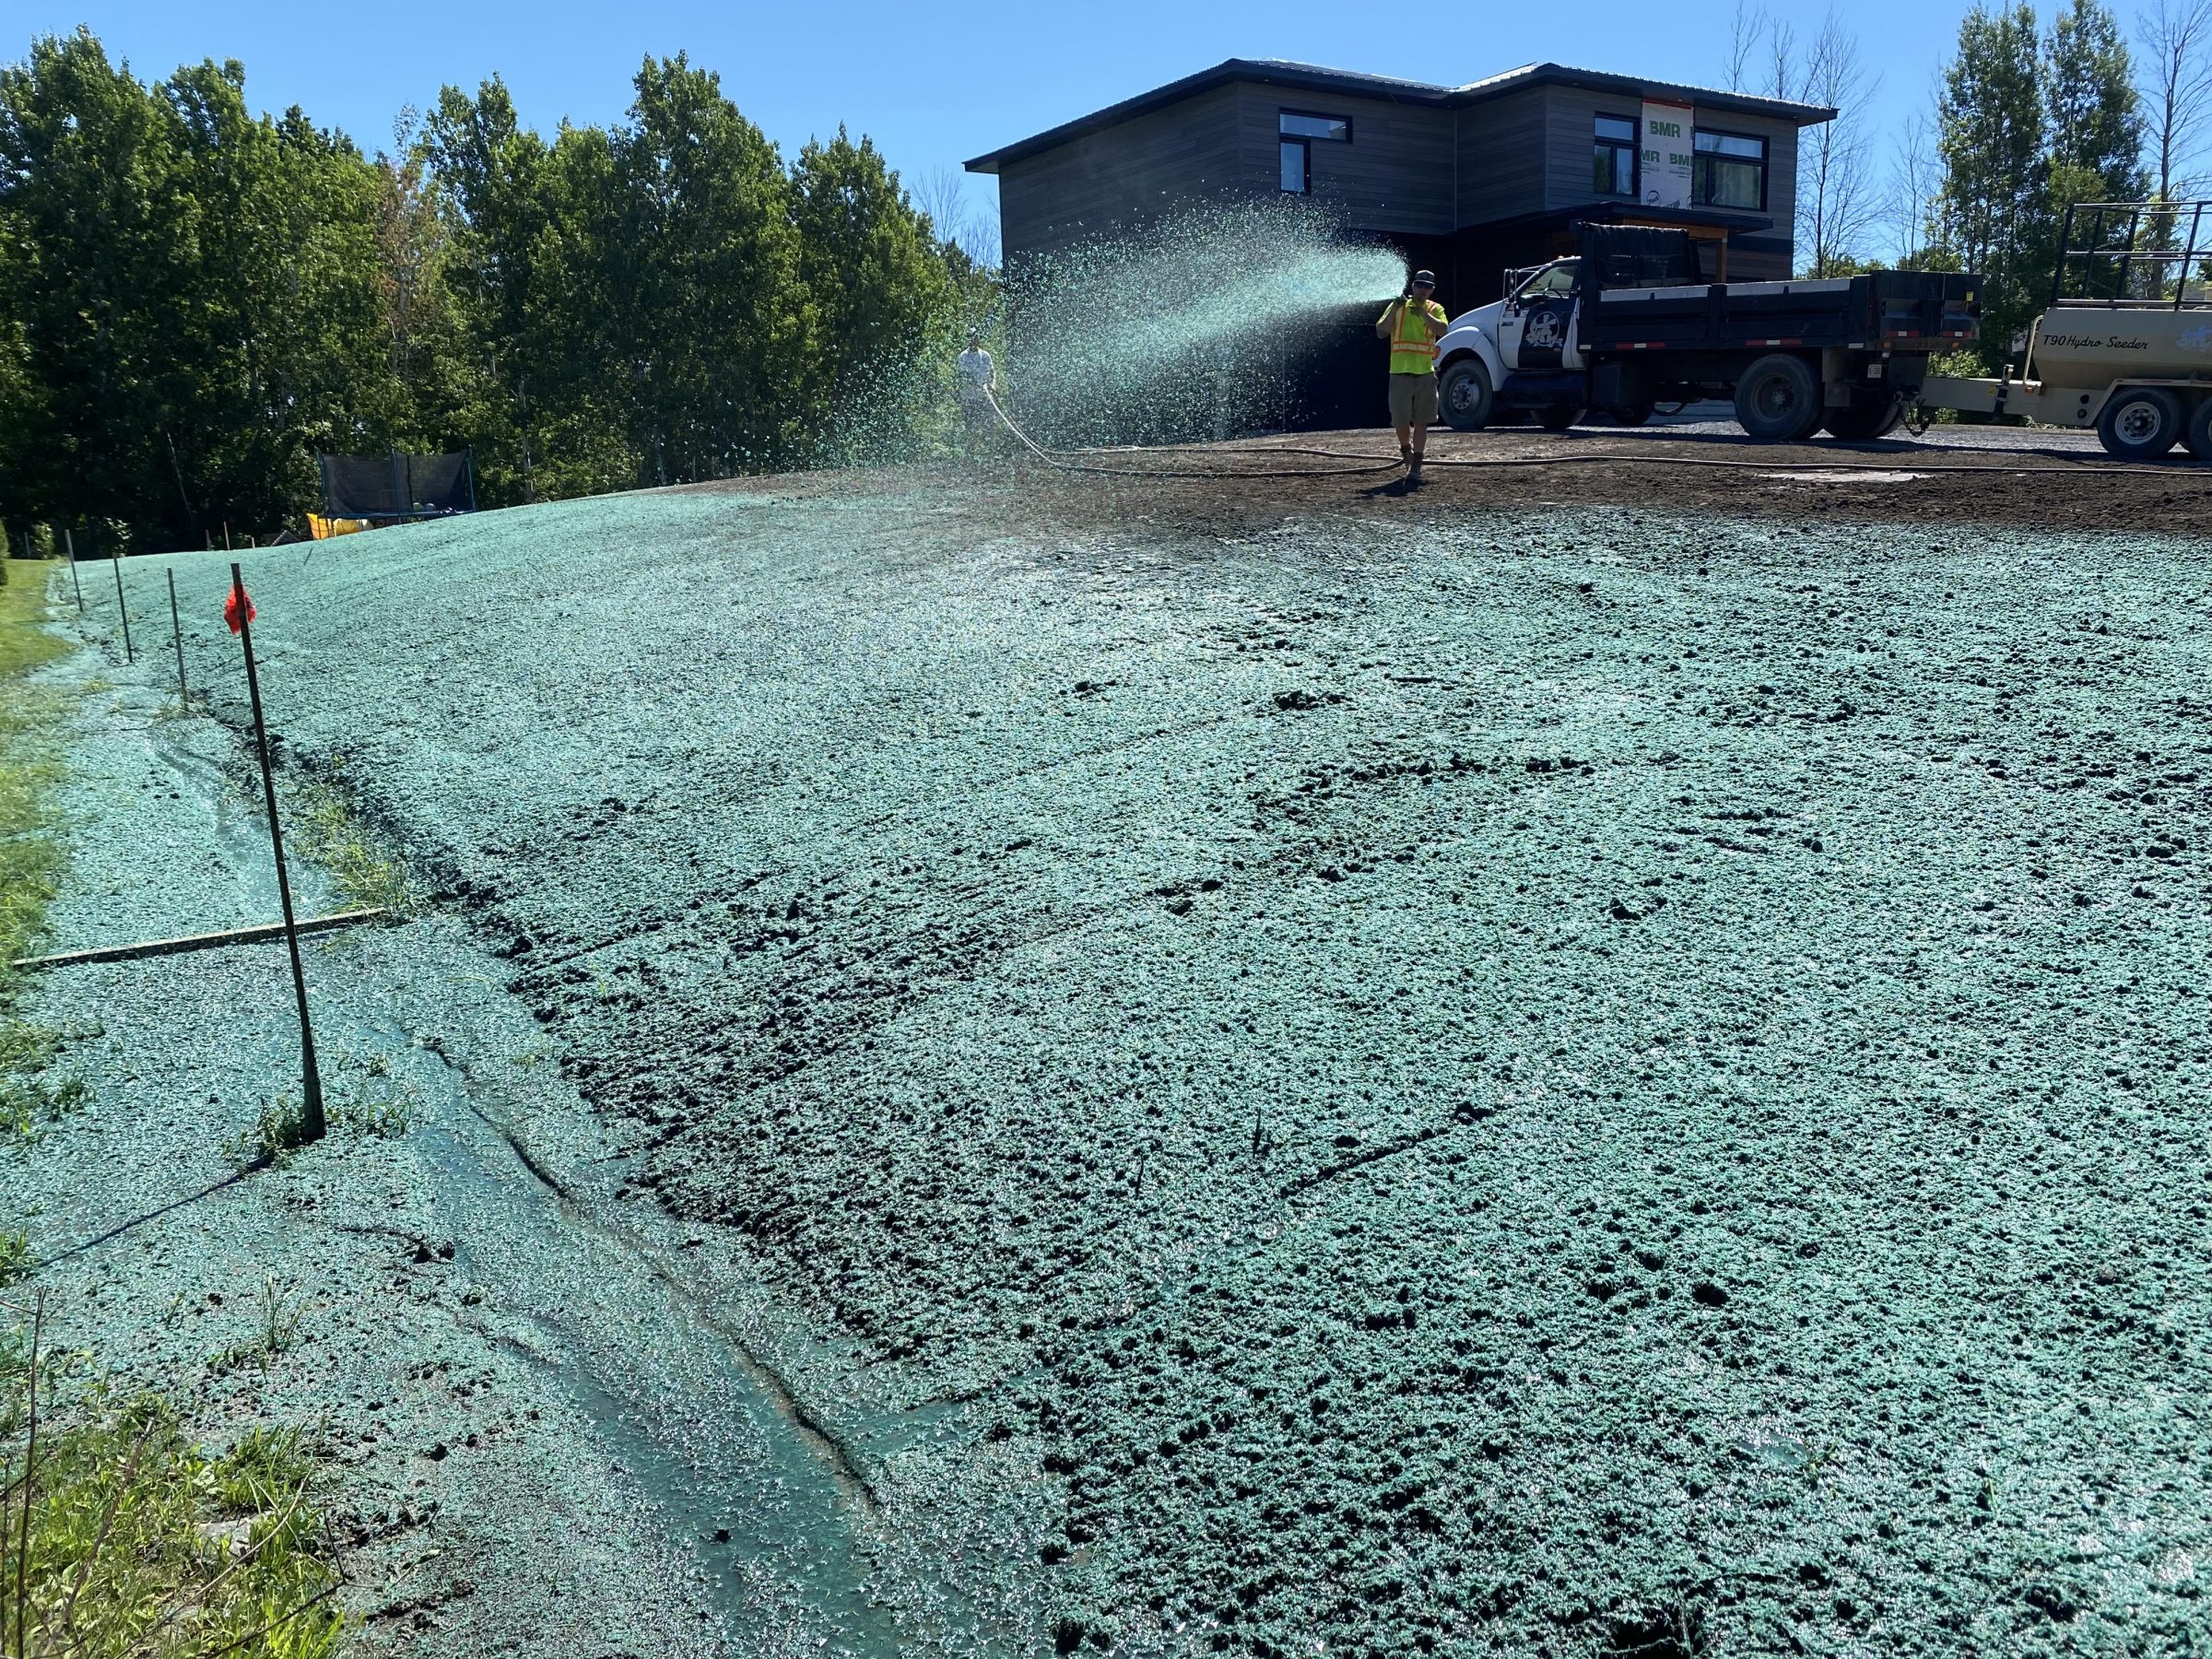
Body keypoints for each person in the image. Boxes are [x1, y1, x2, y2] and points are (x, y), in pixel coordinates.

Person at [1377, 271, 1449, 482]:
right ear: (1413, 286)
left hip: (1425, 373)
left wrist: (1423, 314)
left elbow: (1443, 330)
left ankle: (1416, 464)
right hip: (1400, 373)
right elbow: (1381, 331)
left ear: (1432, 290)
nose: (1422, 289)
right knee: (1400, 420)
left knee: (1421, 421)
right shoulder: (1397, 306)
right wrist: (1396, 308)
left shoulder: (1435, 309)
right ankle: (1405, 450)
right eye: (1419, 285)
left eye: (1427, 286)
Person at [957, 331, 996, 453]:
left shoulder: (985, 355)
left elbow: (993, 371)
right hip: (969, 396)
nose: (975, 341)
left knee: (988, 422)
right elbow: (962, 375)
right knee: (970, 424)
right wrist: (976, 383)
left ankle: (990, 449)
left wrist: (993, 385)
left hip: (985, 396)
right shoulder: (963, 356)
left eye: (977, 339)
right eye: (973, 339)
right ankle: (971, 450)